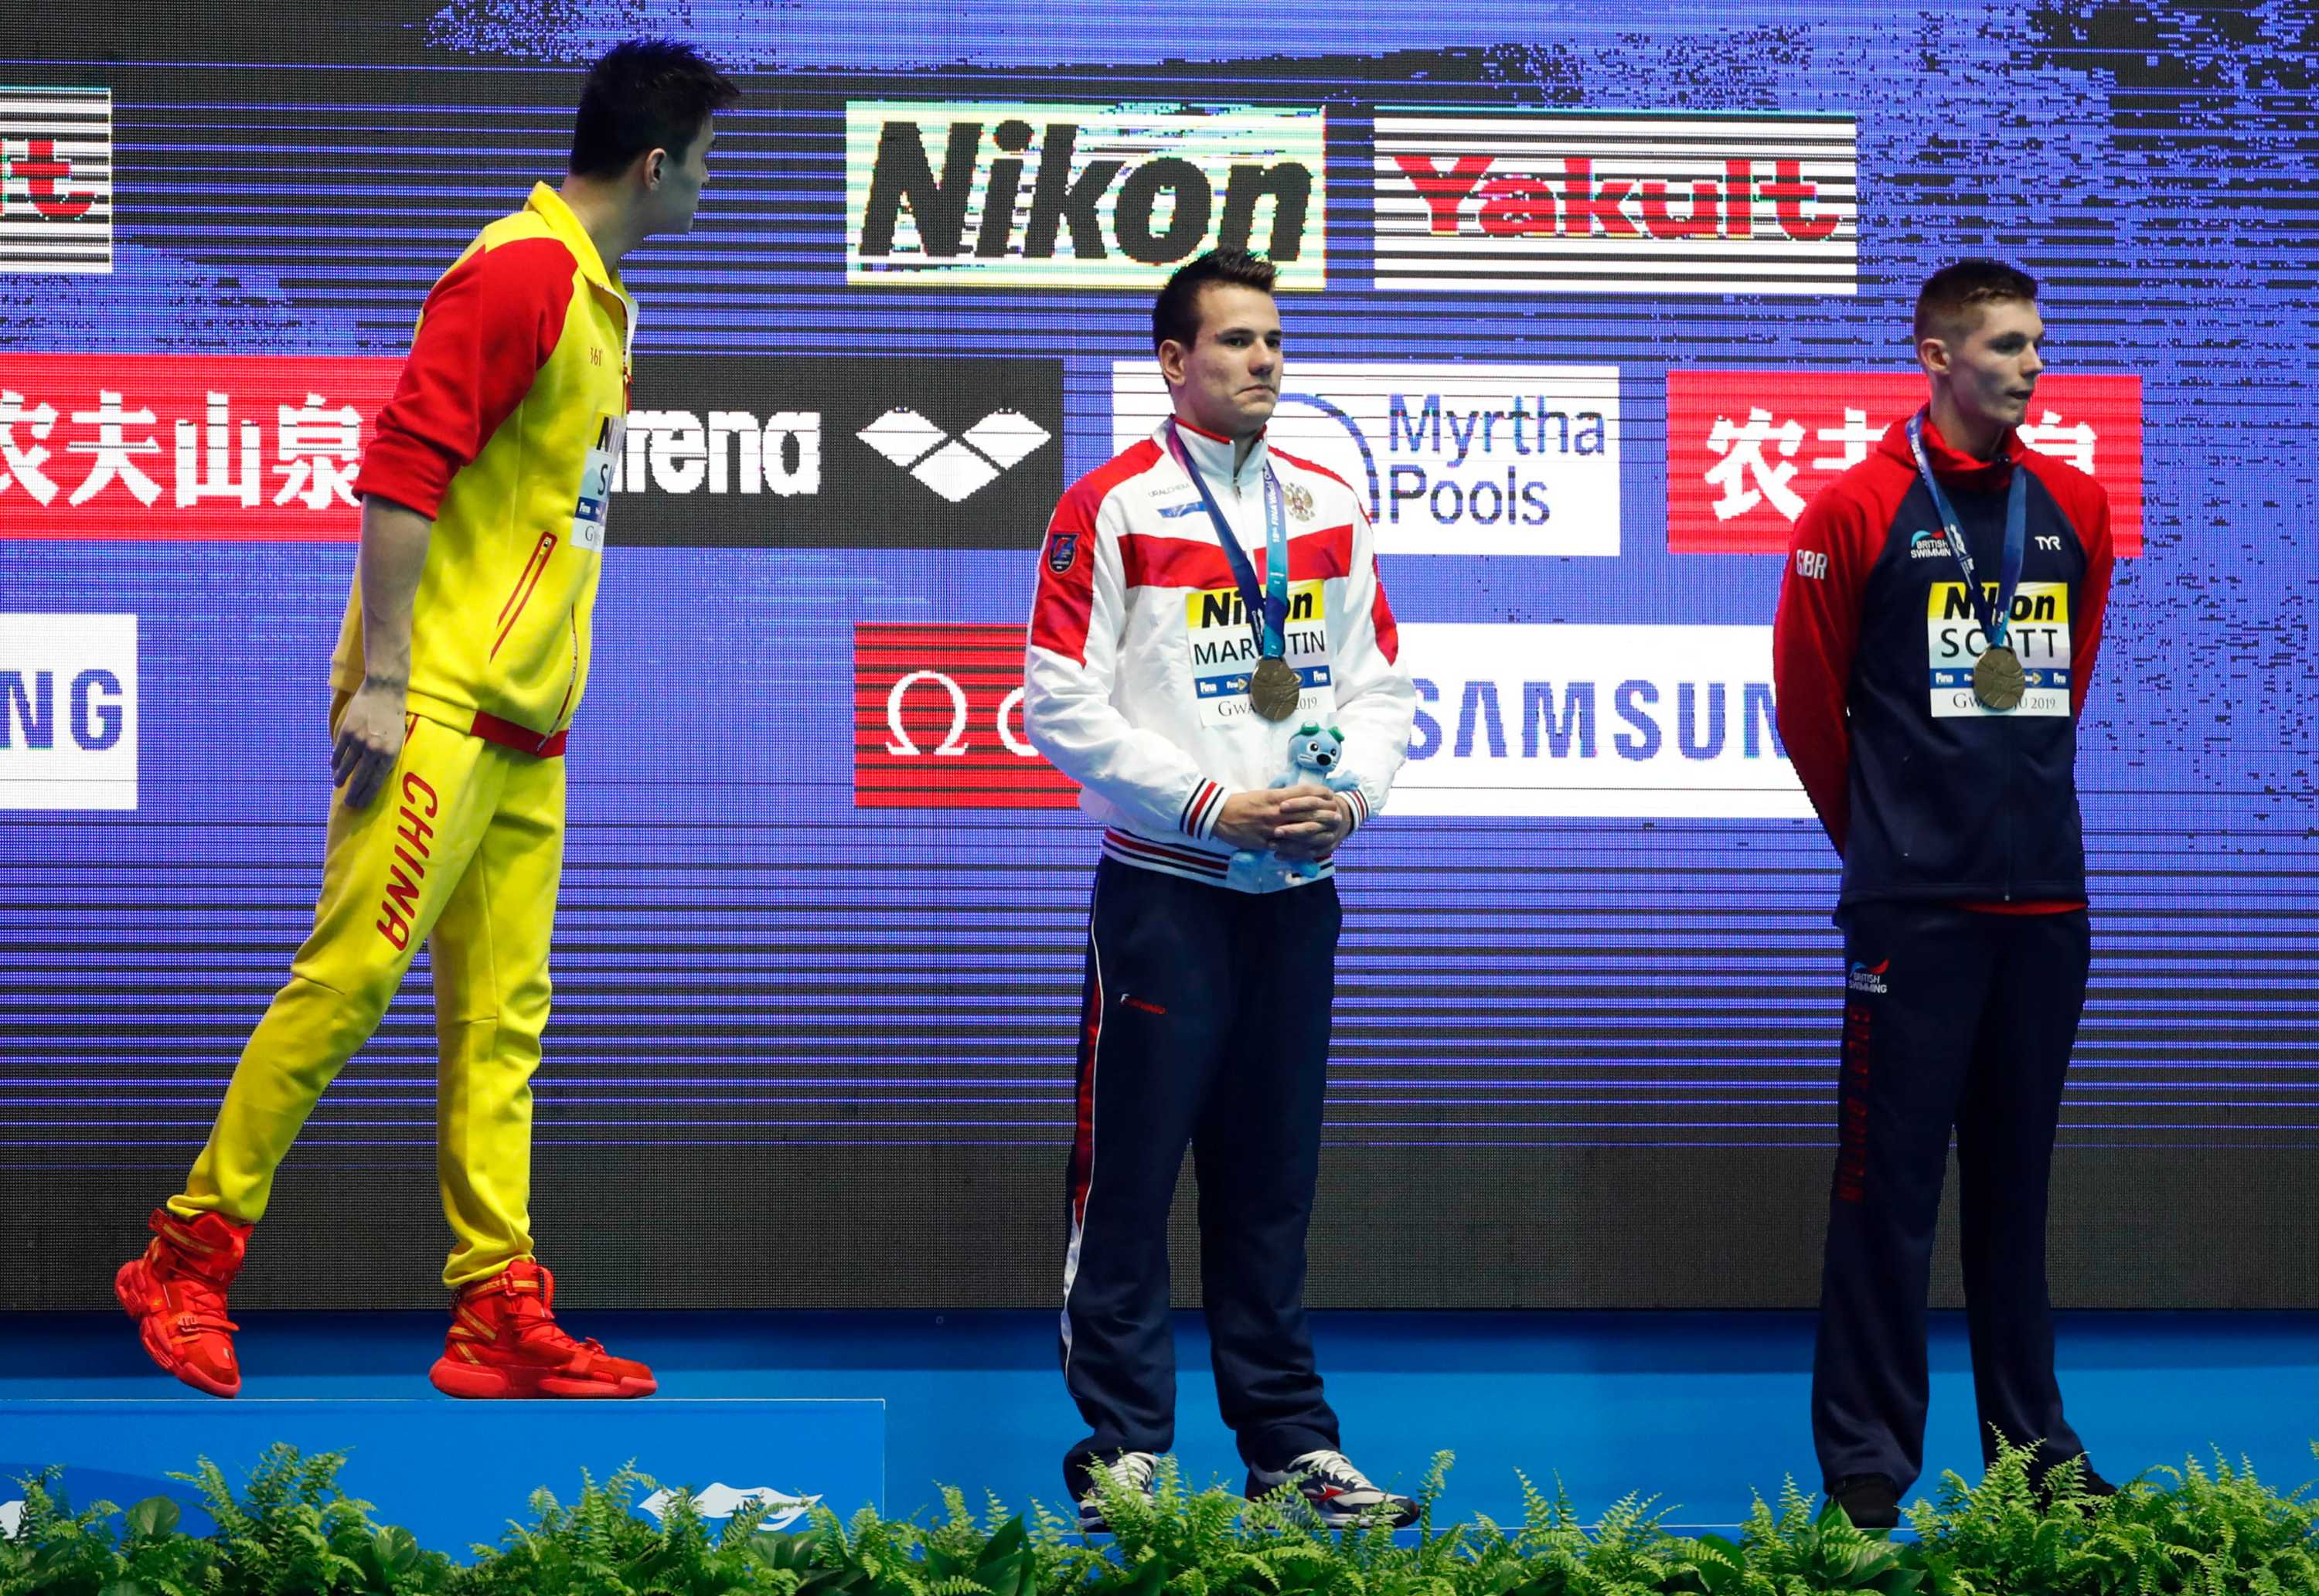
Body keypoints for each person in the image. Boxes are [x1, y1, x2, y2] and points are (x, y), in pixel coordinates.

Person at [114, 39, 738, 1400]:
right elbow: (405, 464)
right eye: (705, 162)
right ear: (656, 164)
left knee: (503, 1024)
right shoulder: (519, 272)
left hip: (525, 727)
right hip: (437, 708)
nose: (708, 184)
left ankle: (496, 1306)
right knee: (350, 978)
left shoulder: (597, 297)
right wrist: (386, 680)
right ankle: (184, 1256)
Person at [1021, 248, 1419, 1532]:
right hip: (1165, 893)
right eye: (1237, 340)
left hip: (1297, 894)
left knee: (1271, 1187)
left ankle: (1293, 1450)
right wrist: (1205, 802)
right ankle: (1125, 1448)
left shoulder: (1328, 501)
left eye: (1274, 340)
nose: (1263, 360)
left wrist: (1349, 798)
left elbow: (1380, 684)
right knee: (1130, 1181)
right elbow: (1056, 699)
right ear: (1173, 361)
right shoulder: (1111, 506)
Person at [1772, 259, 2120, 1529]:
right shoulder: (1852, 508)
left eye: (2038, 344)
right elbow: (1808, 709)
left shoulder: (2077, 504)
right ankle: (1868, 1462)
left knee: (2018, 1193)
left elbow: (2061, 687)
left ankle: (2036, 1455)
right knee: (1888, 1189)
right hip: (1912, 916)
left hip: (2047, 909)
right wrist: (1891, 847)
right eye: (2007, 345)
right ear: (1936, 356)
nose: (2032, 366)